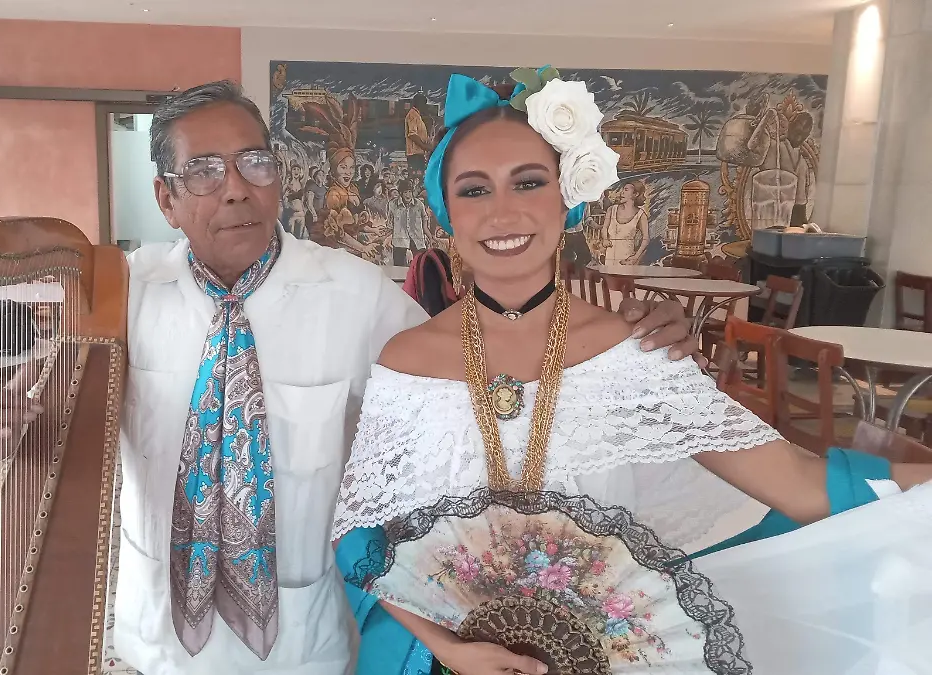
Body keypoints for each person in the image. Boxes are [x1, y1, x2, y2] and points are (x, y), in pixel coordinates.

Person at [0, 80, 700, 675]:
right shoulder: (124, 291)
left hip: (303, 638)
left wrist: (621, 334)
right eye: (204, 170)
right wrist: (21, 408)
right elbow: (54, 397)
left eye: (255, 162)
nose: (235, 189)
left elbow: (485, 367)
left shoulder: (359, 298)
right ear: (166, 199)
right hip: (156, 629)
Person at [331, 70, 932, 675]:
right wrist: (450, 648)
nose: (503, 212)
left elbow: (799, 483)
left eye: (529, 182)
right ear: (447, 212)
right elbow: (365, 541)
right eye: (475, 190)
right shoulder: (405, 361)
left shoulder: (638, 349)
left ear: (568, 197)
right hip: (437, 654)